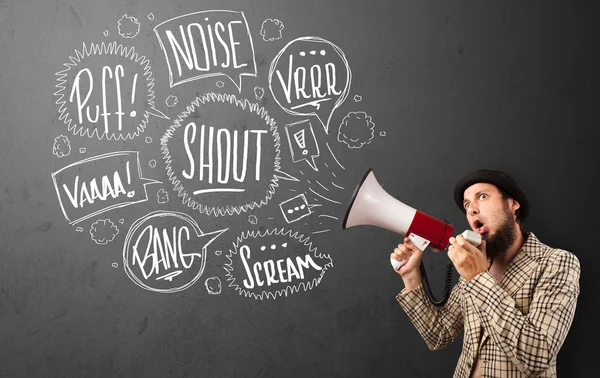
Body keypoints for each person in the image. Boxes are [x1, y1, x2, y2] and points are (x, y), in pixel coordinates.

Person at [392, 169, 580, 378]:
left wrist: (477, 277)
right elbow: (439, 335)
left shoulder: (557, 262)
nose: (472, 209)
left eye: (482, 196)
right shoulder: (476, 266)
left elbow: (536, 357)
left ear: (513, 204)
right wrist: (410, 276)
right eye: (466, 204)